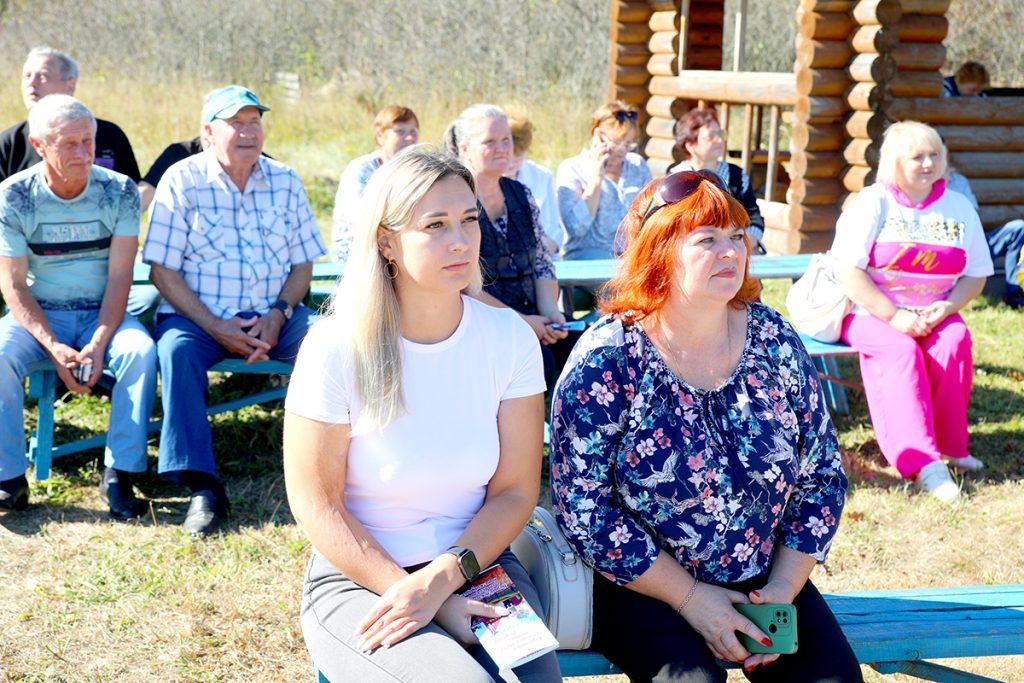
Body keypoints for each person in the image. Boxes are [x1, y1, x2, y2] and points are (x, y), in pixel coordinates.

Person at [550, 171, 860, 682]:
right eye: (707, 239)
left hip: (764, 576)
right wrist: (691, 599)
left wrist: (780, 594)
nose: (731, 252)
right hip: (644, 585)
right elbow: (584, 509)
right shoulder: (609, 358)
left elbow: (821, 476)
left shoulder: (772, 336)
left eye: (737, 237)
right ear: (660, 251)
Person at [283, 148, 560, 682]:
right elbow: (318, 502)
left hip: (479, 566)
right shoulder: (335, 347)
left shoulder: (508, 341)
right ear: (387, 241)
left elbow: (515, 492)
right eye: (435, 225)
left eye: (469, 219)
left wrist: (441, 583)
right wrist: (413, 594)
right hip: (359, 577)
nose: (460, 240)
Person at [142, 85, 326, 534]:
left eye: (255, 122)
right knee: (176, 352)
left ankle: (332, 472)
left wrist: (279, 313)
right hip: (199, 318)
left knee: (333, 347)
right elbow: (162, 272)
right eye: (235, 123)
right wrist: (215, 326)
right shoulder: (181, 181)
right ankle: (202, 486)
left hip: (275, 315)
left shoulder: (285, 180)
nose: (248, 132)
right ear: (207, 132)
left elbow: (303, 263)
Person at [0, 95, 156, 518]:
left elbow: (121, 276)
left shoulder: (119, 190)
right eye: (70, 144)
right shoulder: (14, 197)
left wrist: (101, 341)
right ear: (39, 145)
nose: (84, 153)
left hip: (101, 311)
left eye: (88, 141)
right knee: (0, 356)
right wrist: (54, 346)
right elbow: (13, 285)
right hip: (40, 311)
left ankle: (119, 474)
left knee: (141, 354)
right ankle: (9, 477)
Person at [832, 121, 993, 502]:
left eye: (935, 154)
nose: (928, 163)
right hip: (870, 313)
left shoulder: (959, 206)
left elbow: (977, 274)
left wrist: (949, 307)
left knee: (953, 339)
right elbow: (847, 271)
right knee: (899, 351)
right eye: (917, 156)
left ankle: (952, 447)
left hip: (933, 312)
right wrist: (894, 316)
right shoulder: (873, 203)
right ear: (893, 163)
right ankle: (922, 462)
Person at [443, 104, 571, 388]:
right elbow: (463, 283)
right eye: (490, 142)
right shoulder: (454, 200)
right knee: (540, 362)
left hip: (532, 316)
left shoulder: (521, 193)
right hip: (478, 322)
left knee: (578, 349)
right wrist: (522, 323)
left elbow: (540, 261)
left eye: (506, 140)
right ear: (465, 148)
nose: (502, 148)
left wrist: (550, 313)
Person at [1, 47, 140, 183]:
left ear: (70, 85)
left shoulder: (110, 135)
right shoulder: (10, 142)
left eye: (42, 76)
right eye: (27, 76)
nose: (32, 83)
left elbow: (131, 194)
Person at [556, 101, 651, 261]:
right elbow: (576, 228)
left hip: (632, 260)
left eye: (628, 143)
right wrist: (596, 179)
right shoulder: (572, 168)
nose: (623, 150)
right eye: (617, 142)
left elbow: (650, 215)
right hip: (589, 262)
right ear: (597, 135)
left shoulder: (637, 165)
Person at [330, 105, 420, 261]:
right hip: (356, 252)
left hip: (396, 247)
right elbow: (359, 220)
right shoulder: (361, 169)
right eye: (400, 131)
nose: (410, 138)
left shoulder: (417, 171)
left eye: (413, 132)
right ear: (380, 136)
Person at [669, 108, 765, 251]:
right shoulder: (676, 179)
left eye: (720, 134)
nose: (720, 140)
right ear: (690, 145)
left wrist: (744, 243)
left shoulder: (736, 175)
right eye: (712, 136)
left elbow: (754, 218)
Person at [946, 171, 1024, 308]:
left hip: (970, 243)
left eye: (935, 155)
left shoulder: (958, 180)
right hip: (943, 249)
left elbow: (972, 214)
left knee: (1018, 228)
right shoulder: (922, 185)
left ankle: (1015, 294)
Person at [505, 111, 563, 256]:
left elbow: (554, 233)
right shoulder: (481, 180)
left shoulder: (542, 176)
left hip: (540, 259)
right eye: (506, 155)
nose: (511, 162)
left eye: (517, 155)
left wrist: (534, 260)